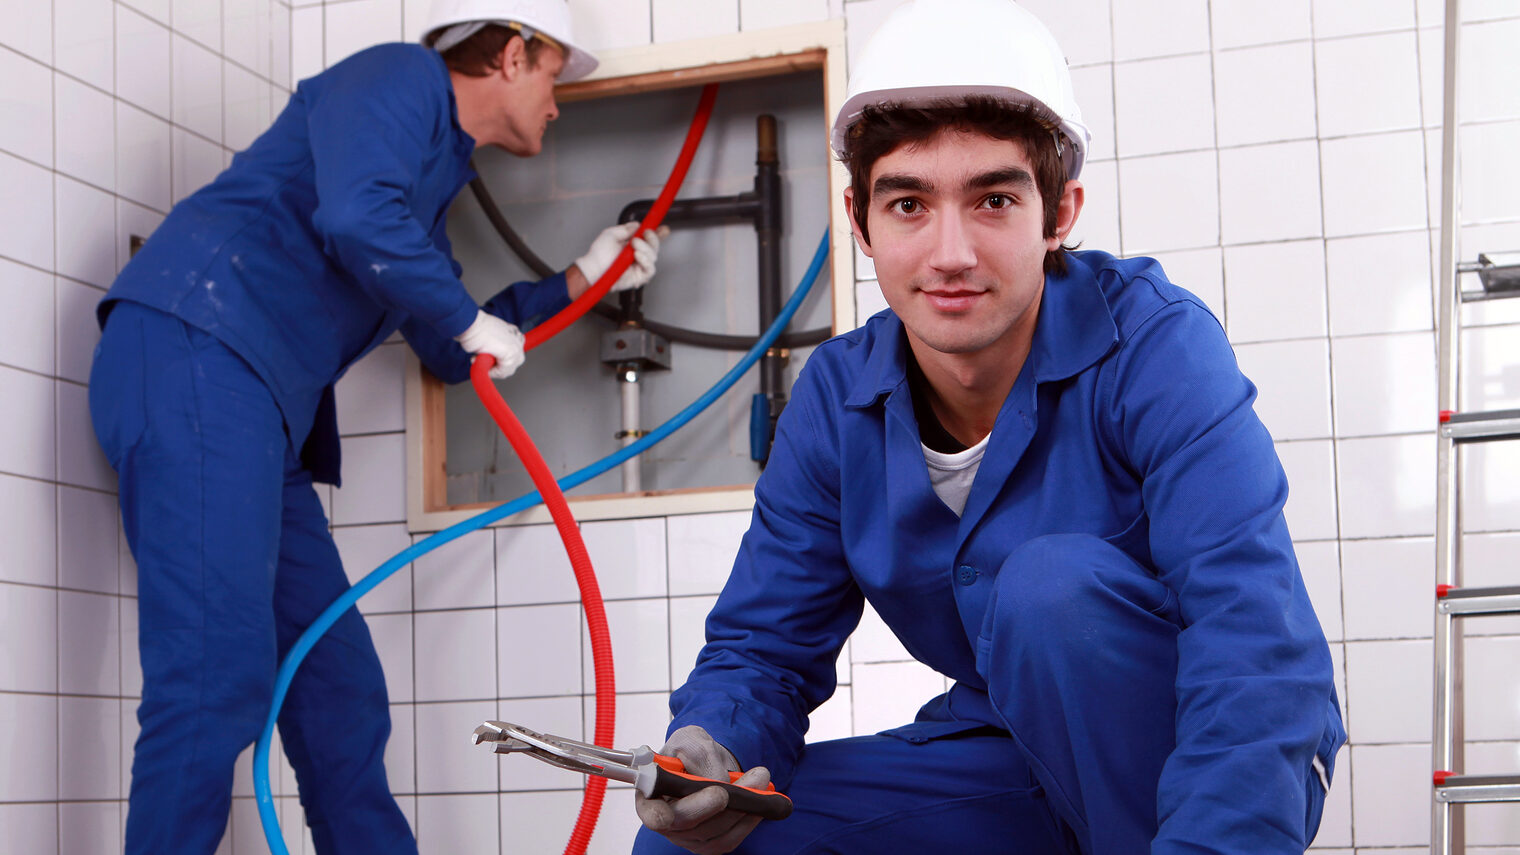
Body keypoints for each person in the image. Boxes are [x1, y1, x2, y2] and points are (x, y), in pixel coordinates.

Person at [630, 1, 1346, 853]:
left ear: (1060, 214)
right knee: (707, 841)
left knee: (1053, 589)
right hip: (1007, 758)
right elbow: (764, 645)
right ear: (859, 221)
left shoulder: (1157, 347)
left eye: (995, 199)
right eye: (908, 205)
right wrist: (714, 741)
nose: (951, 252)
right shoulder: (835, 399)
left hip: (1193, 755)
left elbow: (1253, 646)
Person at [88, 1, 665, 852]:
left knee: (339, 687)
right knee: (213, 676)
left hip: (253, 407)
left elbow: (445, 343)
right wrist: (467, 320)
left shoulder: (423, 190)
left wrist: (583, 274)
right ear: (511, 54)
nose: (556, 101)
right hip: (196, 353)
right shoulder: (397, 76)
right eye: (553, 75)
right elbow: (361, 222)